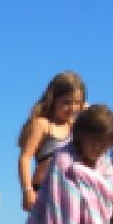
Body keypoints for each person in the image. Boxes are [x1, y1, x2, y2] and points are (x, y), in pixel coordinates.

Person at [18, 71, 84, 213]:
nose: (73, 108)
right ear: (53, 99)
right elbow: (25, 157)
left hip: (69, 192)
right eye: (67, 102)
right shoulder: (43, 125)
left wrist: (84, 109)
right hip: (44, 190)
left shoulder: (76, 127)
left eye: (77, 103)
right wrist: (27, 190)